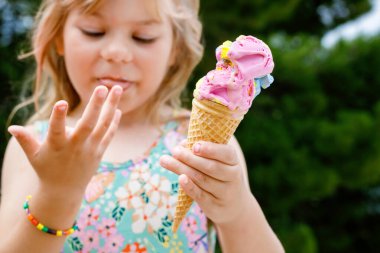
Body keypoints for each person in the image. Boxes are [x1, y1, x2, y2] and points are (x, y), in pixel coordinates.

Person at [0, 0, 285, 252]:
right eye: (93, 31)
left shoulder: (201, 145)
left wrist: (237, 212)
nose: (117, 52)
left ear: (175, 48)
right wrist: (56, 196)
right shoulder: (37, 146)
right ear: (59, 36)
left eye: (143, 37)